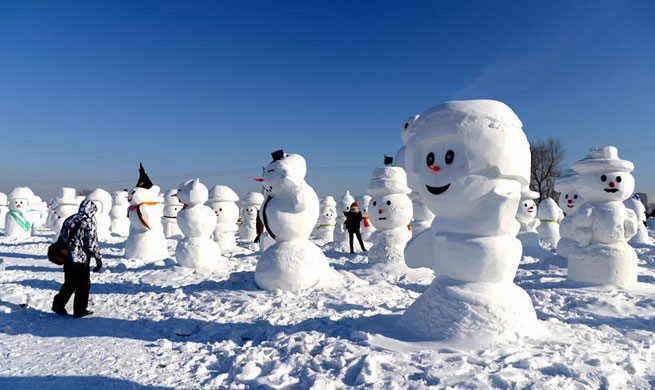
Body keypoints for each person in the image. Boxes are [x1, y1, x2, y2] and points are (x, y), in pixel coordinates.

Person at [52, 199, 103, 318]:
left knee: (69, 282)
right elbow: (91, 243)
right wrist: (98, 258)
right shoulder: (89, 222)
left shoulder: (70, 219)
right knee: (83, 284)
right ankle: (80, 309)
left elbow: (62, 237)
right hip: (80, 259)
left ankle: (58, 305)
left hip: (67, 256)